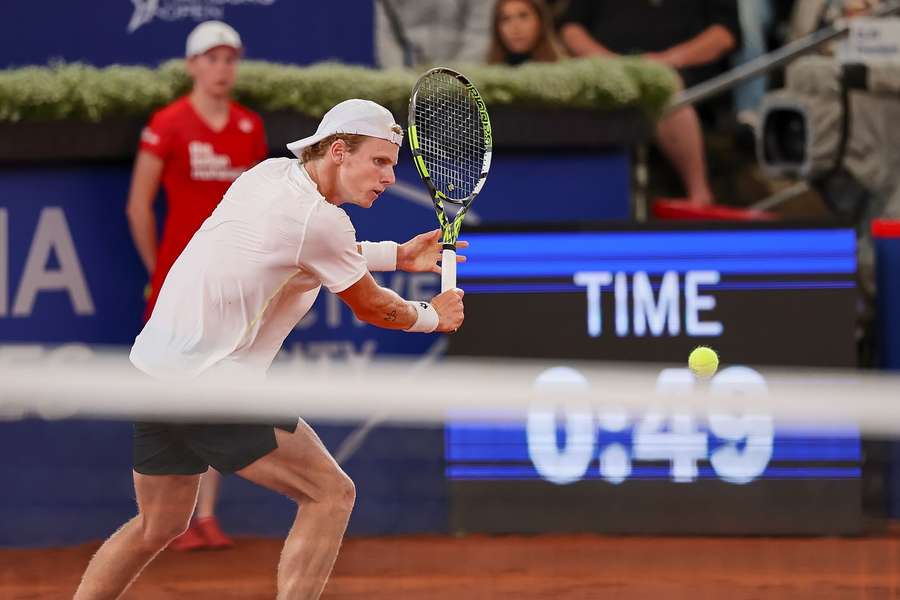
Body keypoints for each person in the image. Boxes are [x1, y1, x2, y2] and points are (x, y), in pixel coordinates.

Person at [74, 98, 466, 600]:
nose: (389, 176)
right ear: (340, 151)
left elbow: (308, 251)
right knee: (331, 494)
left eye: (393, 164)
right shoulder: (319, 223)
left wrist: (396, 254)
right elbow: (369, 305)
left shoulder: (268, 175)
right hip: (213, 385)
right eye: (380, 161)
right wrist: (433, 316)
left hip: (155, 372)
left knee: (158, 524)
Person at [125, 20, 268, 552]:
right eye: (211, 58)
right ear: (192, 66)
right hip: (175, 288)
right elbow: (138, 204)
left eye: (230, 58)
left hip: (232, 290)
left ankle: (205, 516)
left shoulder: (250, 128)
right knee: (172, 403)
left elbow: (260, 207)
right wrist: (156, 271)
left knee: (218, 399)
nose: (222, 68)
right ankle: (167, 521)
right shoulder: (167, 124)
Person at [559, 0, 742, 205]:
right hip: (606, 70)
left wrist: (668, 59)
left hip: (681, 72)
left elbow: (724, 35)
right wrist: (611, 62)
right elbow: (571, 28)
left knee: (662, 87)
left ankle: (699, 194)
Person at [487, 0, 568, 65]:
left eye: (523, 16)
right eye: (506, 19)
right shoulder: (482, 77)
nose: (515, 27)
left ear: (541, 22)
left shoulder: (565, 70)